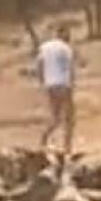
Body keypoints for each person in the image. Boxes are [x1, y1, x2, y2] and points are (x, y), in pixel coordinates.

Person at [37, 24, 77, 154]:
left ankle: (43, 139)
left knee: (55, 117)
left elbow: (39, 64)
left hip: (50, 84)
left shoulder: (45, 47)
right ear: (64, 34)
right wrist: (72, 83)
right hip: (63, 84)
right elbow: (71, 68)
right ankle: (67, 146)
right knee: (69, 117)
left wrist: (42, 81)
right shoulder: (66, 48)